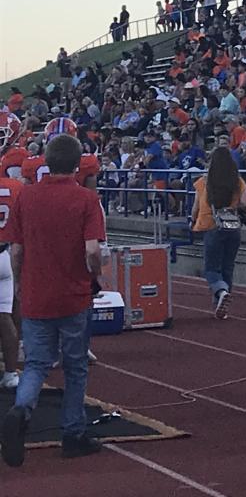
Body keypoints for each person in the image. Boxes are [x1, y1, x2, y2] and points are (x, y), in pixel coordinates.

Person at [1, 134, 107, 466]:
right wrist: (94, 277)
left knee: (35, 364)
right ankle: (73, 433)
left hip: (36, 293)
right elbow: (92, 250)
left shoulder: (26, 197)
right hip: (72, 295)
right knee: (75, 367)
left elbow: (16, 251)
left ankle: (21, 410)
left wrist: (21, 284)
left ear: (47, 161)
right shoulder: (86, 200)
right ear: (77, 165)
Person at [191, 146, 246, 320]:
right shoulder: (237, 181)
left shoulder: (203, 182)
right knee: (227, 266)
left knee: (211, 268)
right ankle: (222, 301)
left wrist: (191, 219)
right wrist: (233, 207)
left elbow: (196, 207)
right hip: (233, 224)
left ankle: (220, 291)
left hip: (211, 224)